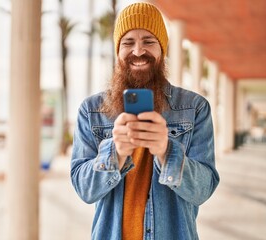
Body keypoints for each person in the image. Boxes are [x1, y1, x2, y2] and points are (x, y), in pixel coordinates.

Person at [70, 2, 220, 240]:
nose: (138, 51)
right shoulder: (91, 111)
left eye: (148, 41)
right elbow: (84, 190)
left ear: (162, 49)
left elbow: (203, 189)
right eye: (128, 42)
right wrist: (115, 153)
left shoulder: (195, 108)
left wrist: (166, 151)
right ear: (118, 51)